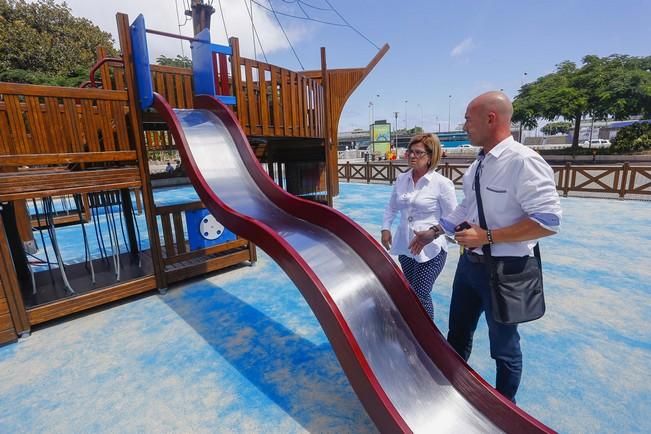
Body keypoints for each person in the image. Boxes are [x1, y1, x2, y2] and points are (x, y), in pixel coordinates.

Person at [411, 91, 562, 402]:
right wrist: (436, 231)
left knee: (504, 347)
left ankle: (505, 408)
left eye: (468, 118)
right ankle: (450, 394)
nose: (464, 125)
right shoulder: (480, 163)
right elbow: (468, 206)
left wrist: (488, 236)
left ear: (490, 118)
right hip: (470, 267)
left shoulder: (523, 161)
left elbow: (548, 221)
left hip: (507, 270)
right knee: (457, 336)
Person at [381, 133, 457, 320]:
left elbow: (453, 218)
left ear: (430, 157)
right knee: (411, 292)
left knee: (421, 294)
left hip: (431, 248)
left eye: (418, 153)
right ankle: (414, 328)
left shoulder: (442, 184)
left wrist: (434, 233)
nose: (412, 156)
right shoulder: (402, 180)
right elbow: (391, 207)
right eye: (410, 152)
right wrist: (386, 228)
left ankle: (428, 336)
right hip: (406, 246)